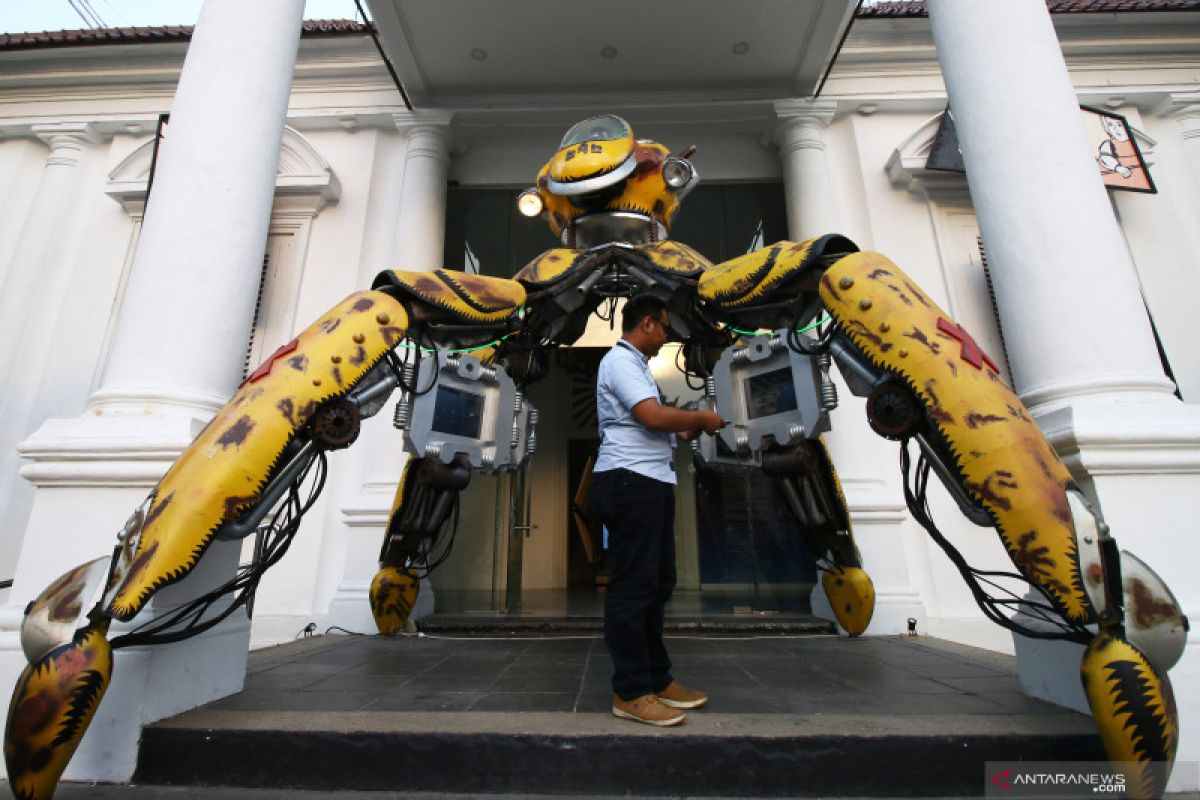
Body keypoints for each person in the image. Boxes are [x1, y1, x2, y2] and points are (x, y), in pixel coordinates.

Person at [590, 295, 725, 726]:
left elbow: (649, 421)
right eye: (664, 327)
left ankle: (656, 678)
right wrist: (700, 418)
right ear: (646, 324)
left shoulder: (638, 368)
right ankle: (629, 692)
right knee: (634, 587)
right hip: (630, 481)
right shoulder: (620, 362)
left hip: (650, 480)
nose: (666, 336)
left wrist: (679, 429)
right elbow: (648, 416)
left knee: (657, 582)